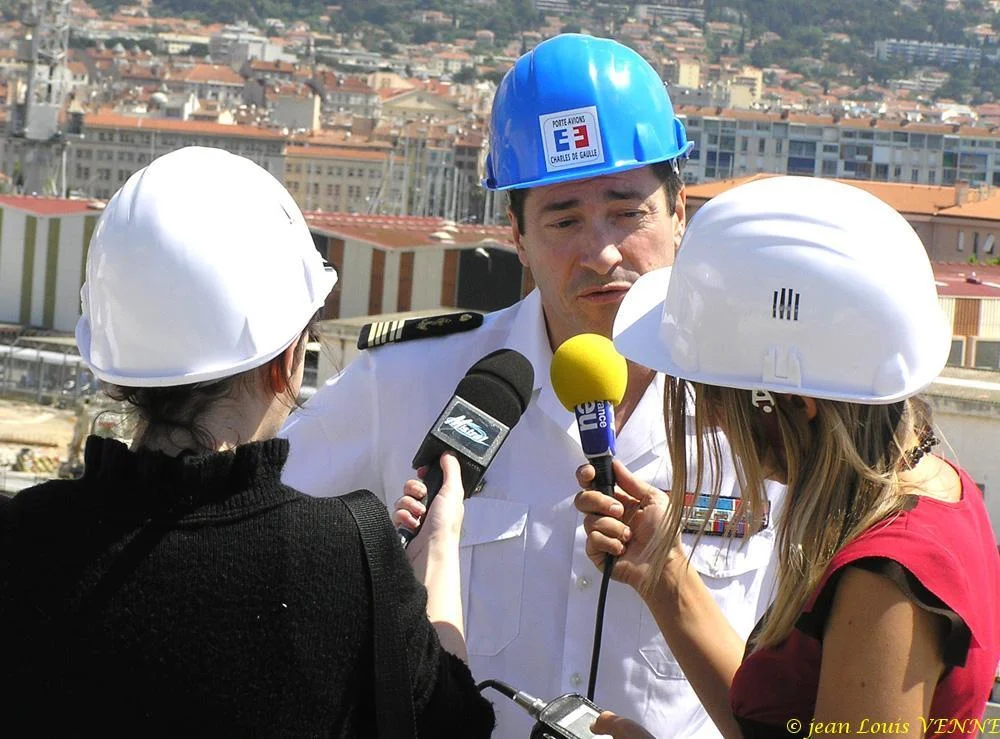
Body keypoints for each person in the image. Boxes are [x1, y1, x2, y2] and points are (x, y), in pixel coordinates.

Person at [282, 34, 782, 738]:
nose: (602, 250)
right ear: (515, 233)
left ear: (679, 215)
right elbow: (254, 532)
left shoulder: (765, 422)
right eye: (564, 219)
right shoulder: (409, 383)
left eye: (628, 210)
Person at [0, 146, 495, 737]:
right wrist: (435, 558)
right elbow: (454, 725)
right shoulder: (350, 556)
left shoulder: (21, 539)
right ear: (286, 362)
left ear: (113, 368)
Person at [574, 176, 1000, 738]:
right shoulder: (931, 492)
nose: (711, 418)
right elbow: (783, 722)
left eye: (712, 393)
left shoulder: (886, 582)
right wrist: (666, 573)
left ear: (791, 403)